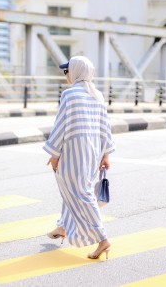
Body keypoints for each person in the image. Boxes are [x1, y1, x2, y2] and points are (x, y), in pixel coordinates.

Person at [43, 56, 115, 259]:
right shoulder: (97, 95)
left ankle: (103, 239)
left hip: (73, 151)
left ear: (75, 72)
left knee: (80, 191)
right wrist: (106, 154)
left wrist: (54, 153)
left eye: (67, 71)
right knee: (75, 188)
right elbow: (105, 127)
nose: (66, 75)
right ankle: (63, 227)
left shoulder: (69, 95)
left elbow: (60, 125)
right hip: (93, 151)